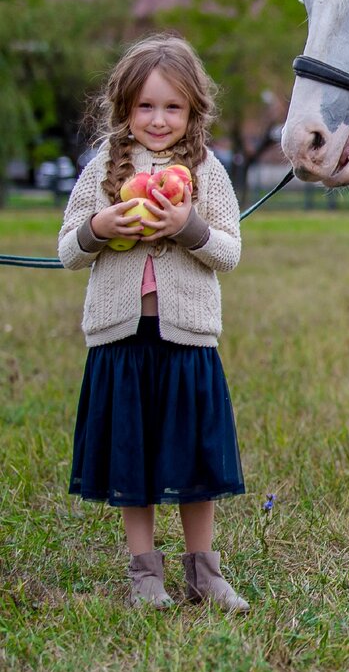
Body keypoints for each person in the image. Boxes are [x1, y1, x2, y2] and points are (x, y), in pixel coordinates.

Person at [57, 33, 248, 612]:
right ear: (124, 108)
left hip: (186, 337)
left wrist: (187, 226)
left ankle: (204, 572)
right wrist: (101, 229)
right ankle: (145, 574)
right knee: (131, 457)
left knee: (193, 455)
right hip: (121, 338)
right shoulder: (103, 171)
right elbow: (68, 250)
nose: (158, 119)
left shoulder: (206, 170)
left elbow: (230, 251)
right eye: (145, 106)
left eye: (172, 107)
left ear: (192, 110)